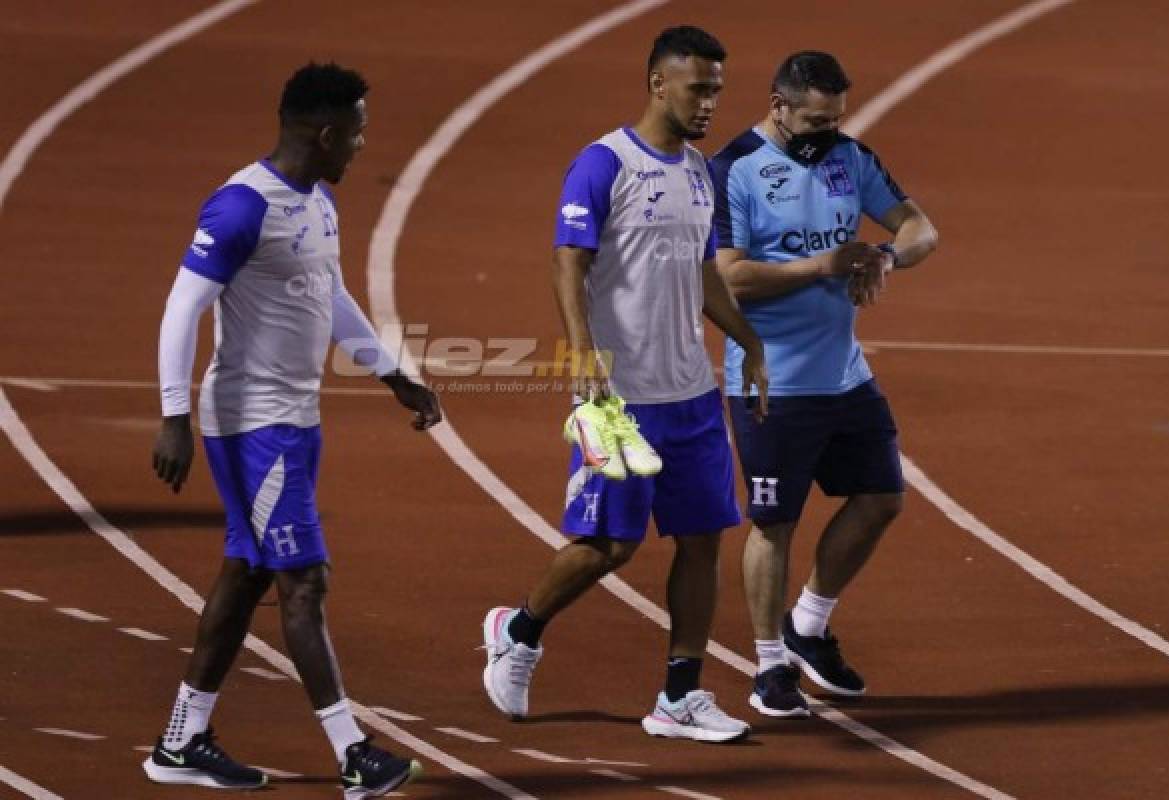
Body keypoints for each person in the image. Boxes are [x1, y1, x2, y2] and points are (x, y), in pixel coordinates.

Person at [146, 62, 440, 797]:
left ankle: (181, 741)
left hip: (294, 422)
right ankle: (354, 753)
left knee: (246, 577)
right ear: (327, 132)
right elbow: (182, 309)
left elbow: (330, 294)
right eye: (360, 134)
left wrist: (391, 373)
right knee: (303, 582)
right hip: (251, 426)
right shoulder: (241, 207)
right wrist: (174, 417)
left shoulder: (315, 202)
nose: (364, 148)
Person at [481, 26, 768, 743]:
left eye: (717, 91)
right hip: (618, 397)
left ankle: (680, 696)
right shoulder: (602, 164)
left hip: (691, 394)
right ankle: (517, 631)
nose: (710, 103)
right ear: (658, 84)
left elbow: (703, 272)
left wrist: (749, 341)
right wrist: (582, 354)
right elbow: (566, 263)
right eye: (699, 88)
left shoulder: (700, 172)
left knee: (703, 539)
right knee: (608, 545)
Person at [709, 51, 938, 717]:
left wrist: (887, 256)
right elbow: (725, 276)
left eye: (836, 119)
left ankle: (806, 627)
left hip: (844, 373)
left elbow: (922, 228)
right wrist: (821, 266)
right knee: (774, 523)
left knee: (881, 499)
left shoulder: (849, 158)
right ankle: (768, 667)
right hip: (771, 380)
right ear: (778, 106)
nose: (826, 132)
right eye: (814, 120)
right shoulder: (735, 171)